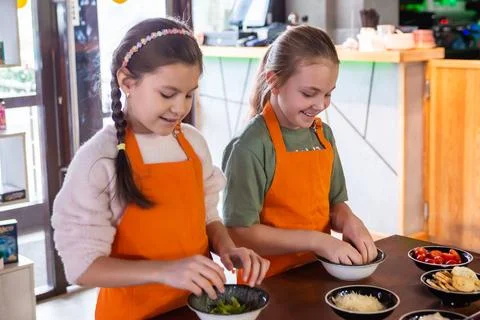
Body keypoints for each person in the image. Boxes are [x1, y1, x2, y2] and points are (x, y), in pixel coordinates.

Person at [51, 17, 269, 320]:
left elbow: (207, 216)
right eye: (168, 94)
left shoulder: (193, 143)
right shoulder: (98, 160)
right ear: (127, 82)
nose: (181, 108)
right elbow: (82, 267)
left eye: (189, 94)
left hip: (197, 308)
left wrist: (227, 247)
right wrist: (166, 271)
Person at [222, 25, 377, 278]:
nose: (320, 105)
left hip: (318, 272)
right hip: (269, 283)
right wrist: (318, 241)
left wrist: (349, 219)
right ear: (274, 82)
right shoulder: (250, 146)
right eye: (308, 93)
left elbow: (335, 204)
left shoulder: (323, 134)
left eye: (328, 94)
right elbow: (240, 232)